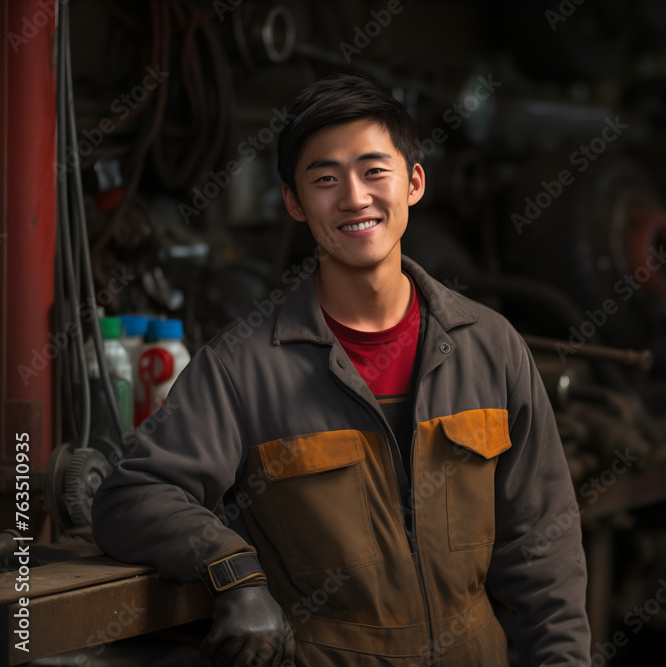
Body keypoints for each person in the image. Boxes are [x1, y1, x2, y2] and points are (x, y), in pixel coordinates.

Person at [92, 73, 591, 667]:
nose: (354, 198)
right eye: (325, 179)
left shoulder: (492, 348)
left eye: (374, 171)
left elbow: (544, 554)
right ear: (294, 202)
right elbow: (131, 496)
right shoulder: (243, 368)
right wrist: (233, 571)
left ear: (415, 182)